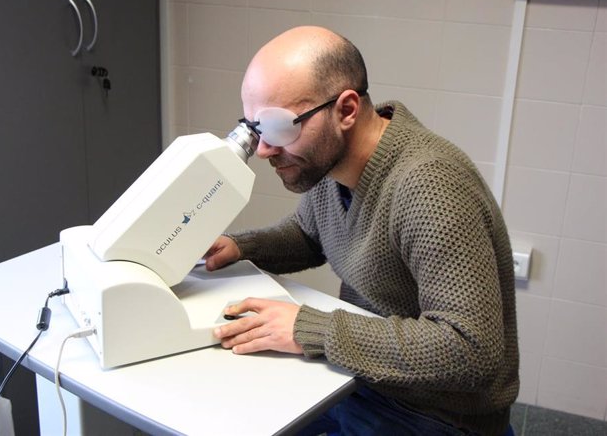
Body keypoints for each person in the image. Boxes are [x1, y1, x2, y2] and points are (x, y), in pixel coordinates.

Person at [204, 26, 519, 436]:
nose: (263, 151)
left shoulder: (431, 186)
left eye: (280, 128)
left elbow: (470, 349)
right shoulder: (334, 169)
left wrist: (307, 329)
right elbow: (307, 235)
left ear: (347, 110)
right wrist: (237, 246)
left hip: (436, 415)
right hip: (363, 381)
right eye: (256, 130)